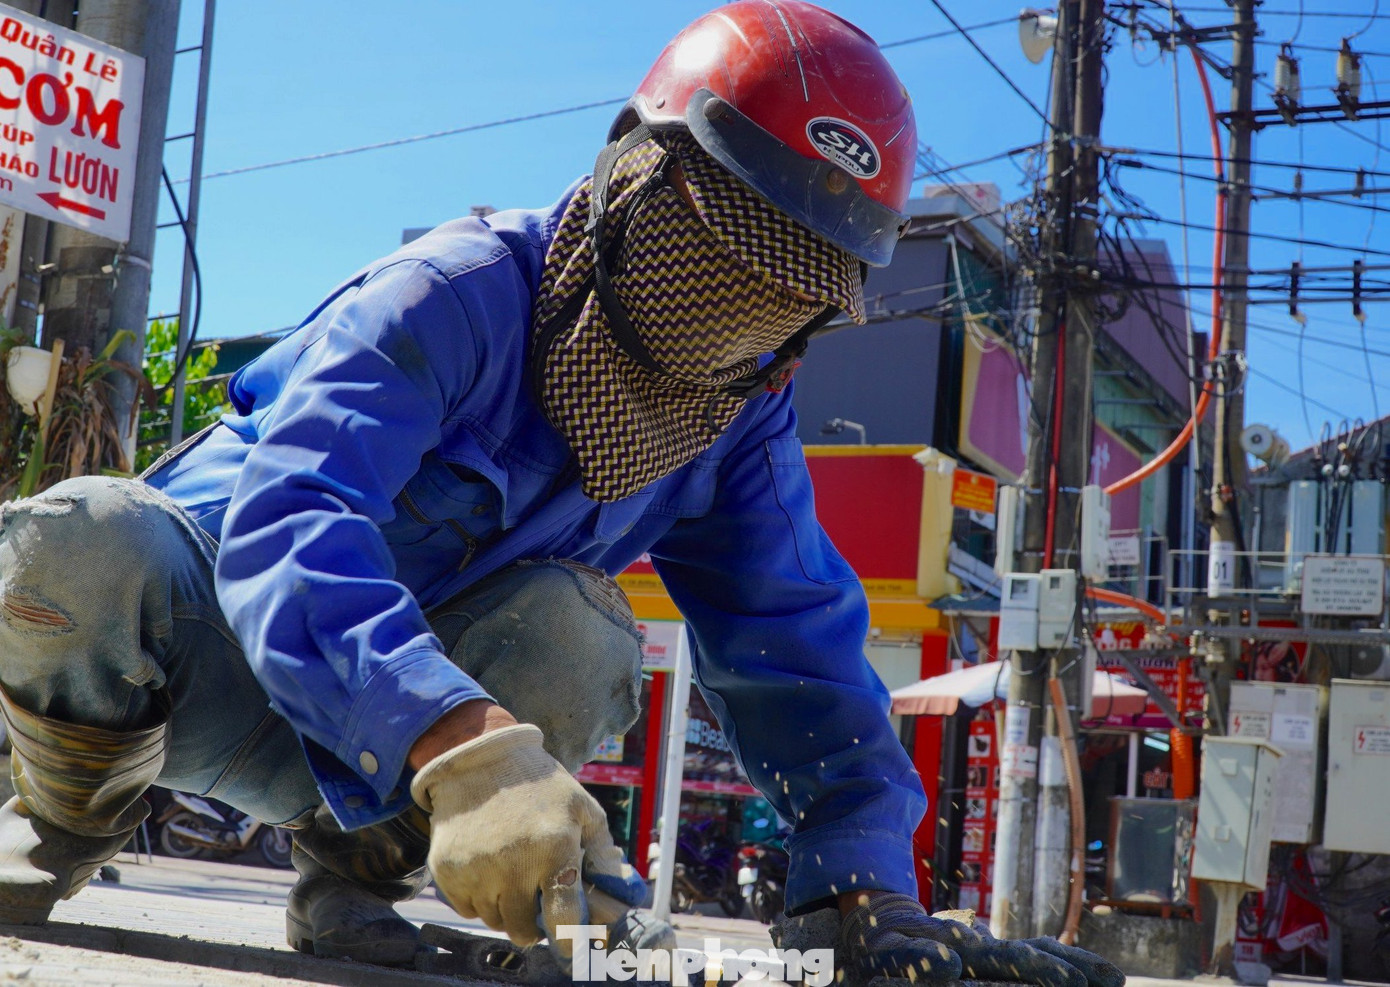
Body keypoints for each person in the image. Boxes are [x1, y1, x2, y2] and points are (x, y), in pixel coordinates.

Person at [0, 3, 1123, 984]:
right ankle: (57, 823)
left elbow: (797, 652)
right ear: (626, 175)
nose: (732, 310)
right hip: (201, 663)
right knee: (82, 540)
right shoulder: (454, 295)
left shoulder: (732, 425)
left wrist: (864, 893)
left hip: (377, 771)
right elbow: (293, 521)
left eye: (782, 289)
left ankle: (350, 880)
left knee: (585, 634)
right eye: (718, 248)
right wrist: (456, 738)